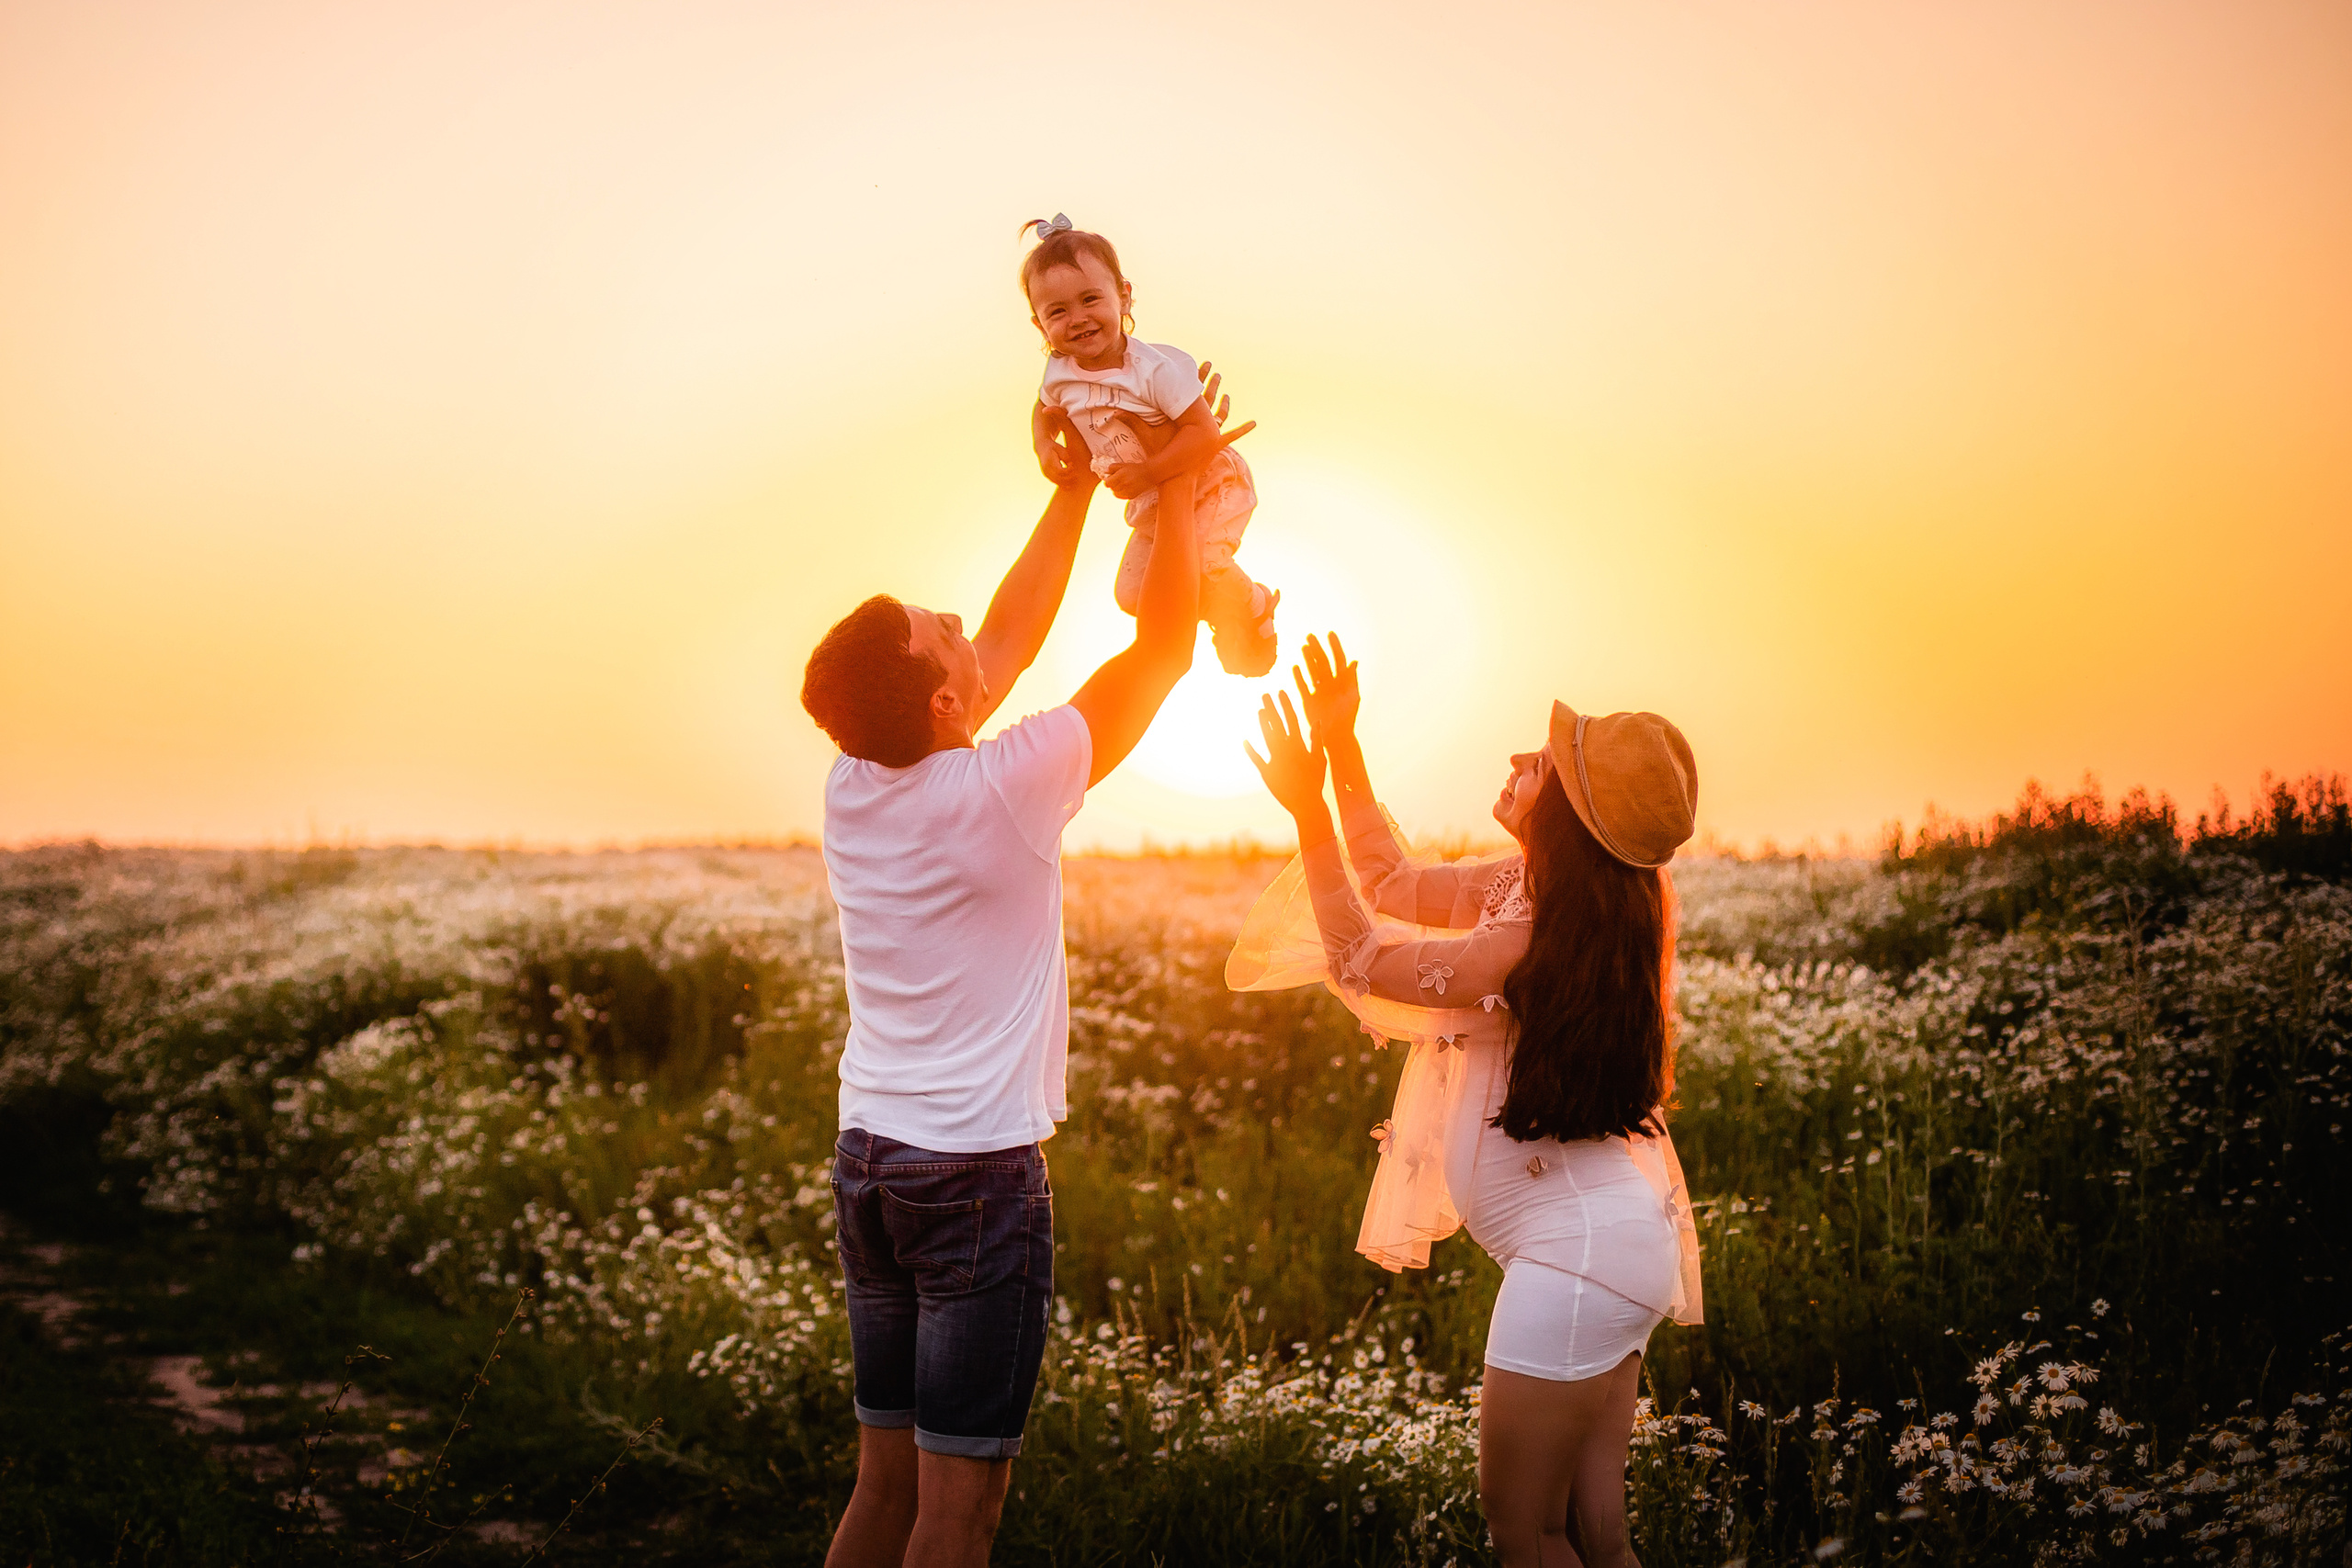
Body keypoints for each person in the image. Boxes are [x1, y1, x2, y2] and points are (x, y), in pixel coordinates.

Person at [798, 389, 1247, 1568]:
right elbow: (1161, 650)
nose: (962, 620)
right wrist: (1178, 478)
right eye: (939, 630)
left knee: (881, 1492)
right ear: (945, 701)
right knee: (959, 1517)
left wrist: (1074, 485)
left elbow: (1001, 640)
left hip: (872, 1161)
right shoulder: (1003, 785)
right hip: (972, 1182)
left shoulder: (854, 781)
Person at [1232, 633, 1704, 1568]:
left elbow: (1362, 956)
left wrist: (1306, 812)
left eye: (1544, 764)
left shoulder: (1528, 936)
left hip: (1575, 1260)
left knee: (1524, 1531)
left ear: (1569, 814)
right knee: (1596, 1537)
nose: (1519, 757)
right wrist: (1343, 749)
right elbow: (1392, 883)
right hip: (1607, 1245)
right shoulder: (1534, 895)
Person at [1020, 213, 1279, 677]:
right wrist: (1043, 444)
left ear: (1123, 296)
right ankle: (1220, 609)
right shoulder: (1059, 373)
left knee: (1205, 562)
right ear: (1040, 326)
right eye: (1057, 312)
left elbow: (1204, 433)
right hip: (1152, 502)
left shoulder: (1155, 370)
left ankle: (1254, 604)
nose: (1077, 319)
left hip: (1211, 482)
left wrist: (1147, 472)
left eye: (1090, 299)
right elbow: (1043, 407)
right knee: (1132, 596)